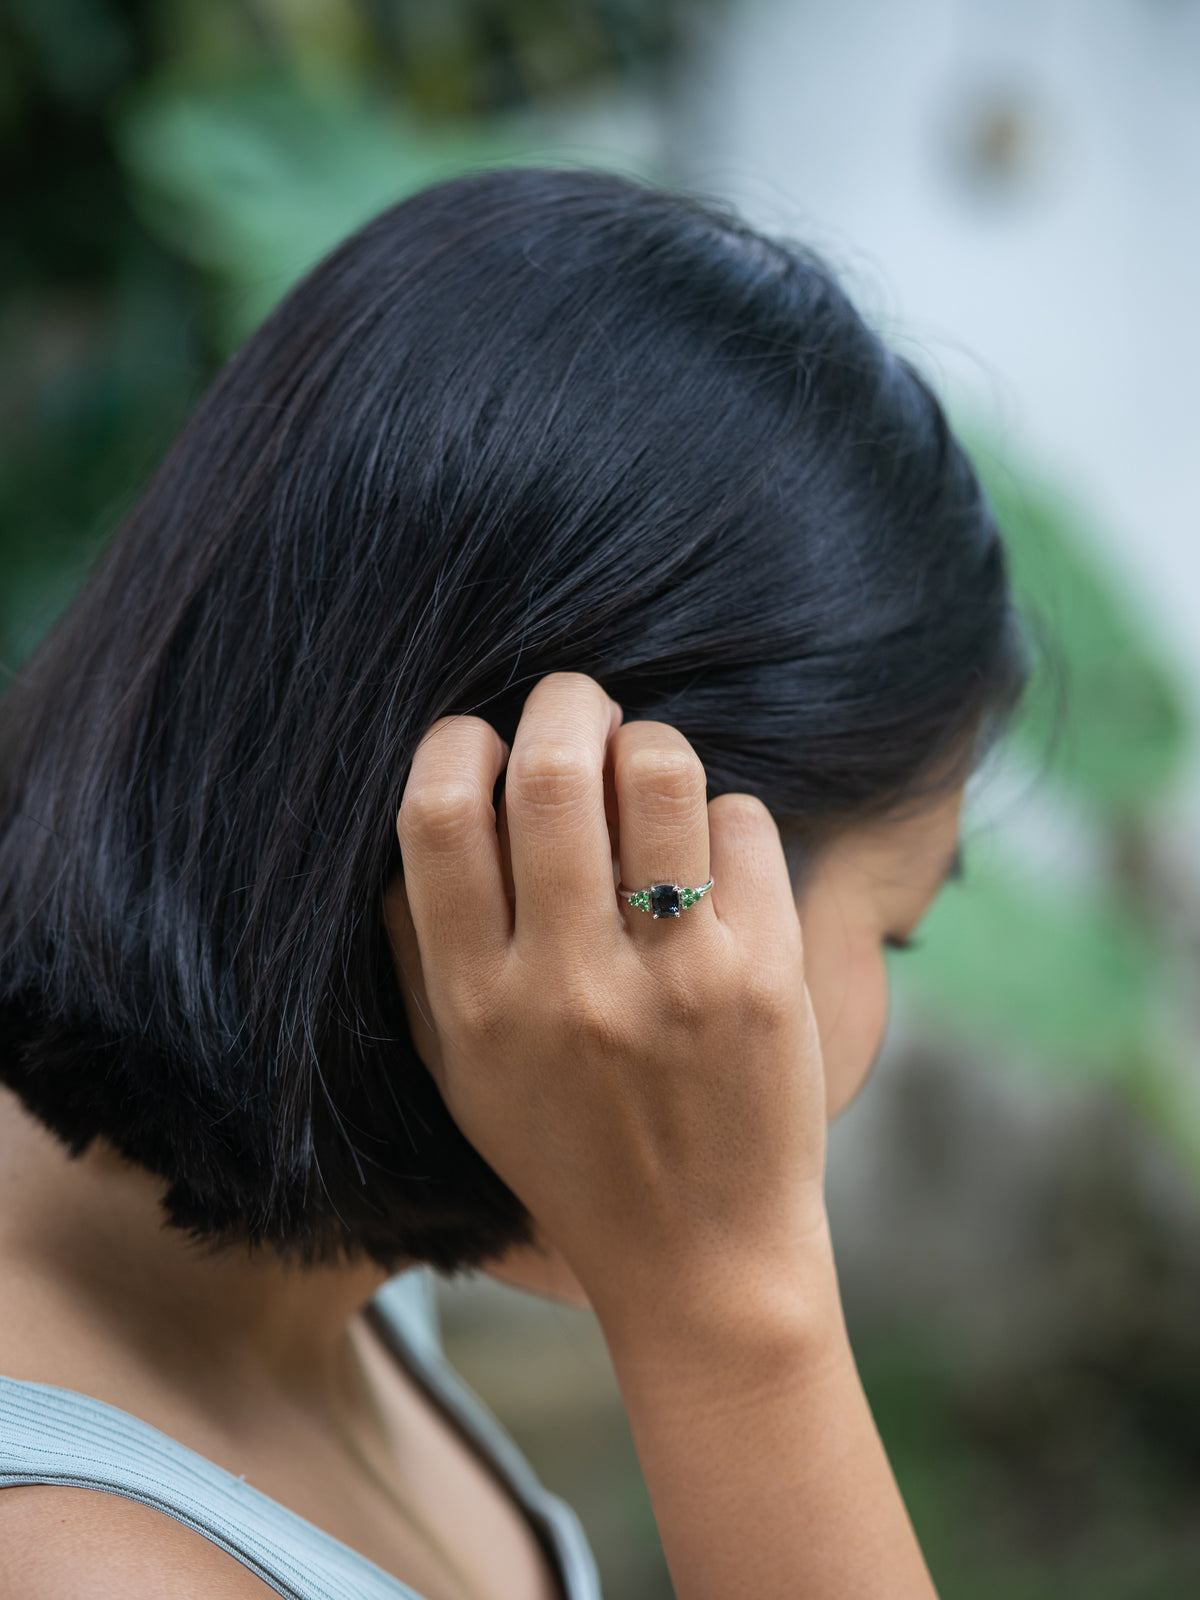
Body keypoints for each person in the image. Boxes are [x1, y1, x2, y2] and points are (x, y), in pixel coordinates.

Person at [0, 166, 1033, 1598]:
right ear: (593, 867)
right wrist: (729, 1311)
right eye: (898, 937)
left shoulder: (326, 1289)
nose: (860, 1037)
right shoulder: (79, 1566)